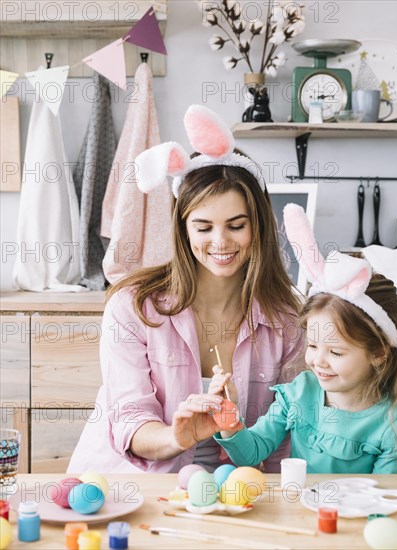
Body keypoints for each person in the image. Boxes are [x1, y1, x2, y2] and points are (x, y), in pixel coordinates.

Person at [68, 105, 303, 474]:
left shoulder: (288, 320)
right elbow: (130, 418)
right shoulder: (133, 307)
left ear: (258, 225)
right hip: (133, 485)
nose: (220, 241)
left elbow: (286, 436)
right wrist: (177, 437)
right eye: (204, 226)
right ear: (183, 228)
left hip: (235, 489)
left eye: (236, 225)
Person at [210, 204, 397, 474]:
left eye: (336, 353)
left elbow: (383, 498)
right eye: (314, 345)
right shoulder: (300, 392)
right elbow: (252, 452)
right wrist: (228, 417)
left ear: (378, 353)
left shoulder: (392, 422)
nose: (318, 361)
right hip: (300, 515)